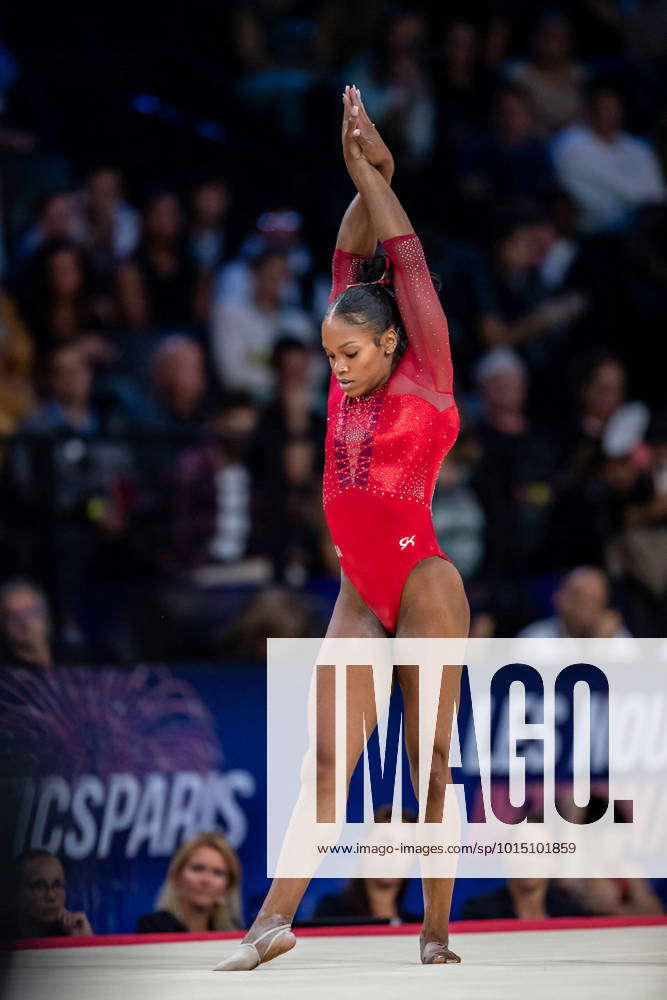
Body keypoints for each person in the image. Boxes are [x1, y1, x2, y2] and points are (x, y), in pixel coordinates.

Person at [215, 85, 469, 972]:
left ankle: (435, 933)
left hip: (424, 579)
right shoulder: (347, 358)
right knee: (327, 759)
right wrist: (362, 178)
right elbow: (350, 253)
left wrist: (373, 174)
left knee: (428, 760)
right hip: (360, 587)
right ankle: (269, 925)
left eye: (348, 354)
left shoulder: (423, 365)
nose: (336, 367)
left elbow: (403, 258)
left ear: (391, 345)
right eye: (328, 355)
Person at [551, 81, 666, 233]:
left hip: (647, 225)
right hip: (597, 229)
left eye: (613, 108)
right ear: (589, 109)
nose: (608, 114)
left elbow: (656, 194)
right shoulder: (570, 145)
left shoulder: (639, 148)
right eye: (603, 108)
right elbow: (582, 194)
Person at [136, 832, 243, 933]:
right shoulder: (154, 926)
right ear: (177, 875)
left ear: (228, 885)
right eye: (198, 868)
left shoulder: (234, 933)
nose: (206, 880)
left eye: (217, 873)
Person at [519, 565, 631, 638]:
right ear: (560, 599)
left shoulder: (615, 635)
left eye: (597, 602)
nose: (591, 610)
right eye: (583, 600)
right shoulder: (535, 638)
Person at [13, 850, 92, 938]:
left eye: (57, 885)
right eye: (39, 886)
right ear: (18, 893)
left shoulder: (72, 931)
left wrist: (83, 941)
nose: (51, 896)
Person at [460, 878, 589, 920]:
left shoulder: (571, 913)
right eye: (522, 849)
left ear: (554, 860)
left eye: (540, 850)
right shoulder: (478, 913)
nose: (530, 860)